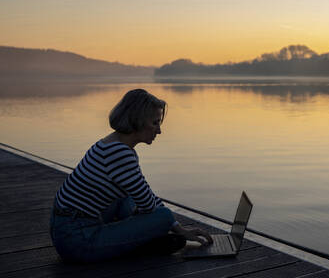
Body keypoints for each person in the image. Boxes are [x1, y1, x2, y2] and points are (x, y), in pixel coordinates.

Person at [50, 89, 212, 263]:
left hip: (68, 228)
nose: (159, 131)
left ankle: (146, 240)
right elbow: (149, 205)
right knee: (162, 216)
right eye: (155, 123)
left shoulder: (112, 143)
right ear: (138, 121)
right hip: (77, 241)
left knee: (127, 199)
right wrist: (179, 229)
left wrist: (173, 226)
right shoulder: (119, 153)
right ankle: (146, 241)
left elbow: (145, 193)